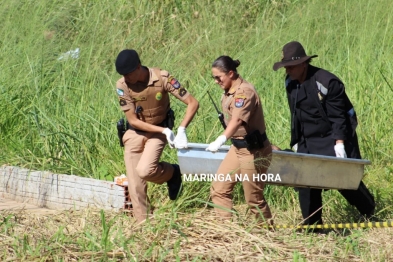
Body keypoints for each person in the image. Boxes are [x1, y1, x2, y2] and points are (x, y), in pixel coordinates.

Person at [272, 41, 376, 226]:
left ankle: (369, 210)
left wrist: (340, 143)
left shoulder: (327, 82)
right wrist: (297, 140)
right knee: (305, 180)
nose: (287, 71)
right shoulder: (290, 82)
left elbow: (339, 117)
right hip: (308, 138)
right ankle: (313, 224)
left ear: (303, 64)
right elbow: (295, 113)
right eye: (285, 67)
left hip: (333, 136)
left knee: (342, 179)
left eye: (291, 67)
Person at [115, 49, 199, 223]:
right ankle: (144, 225)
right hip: (135, 132)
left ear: (138, 67)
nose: (126, 78)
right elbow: (133, 119)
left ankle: (173, 173)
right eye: (123, 75)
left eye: (129, 74)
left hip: (158, 131)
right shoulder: (122, 85)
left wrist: (181, 129)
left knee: (145, 170)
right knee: (135, 185)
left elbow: (192, 103)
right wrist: (165, 132)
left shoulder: (162, 78)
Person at [206, 56, 273, 223]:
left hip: (253, 151)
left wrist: (220, 140)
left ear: (230, 73)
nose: (216, 82)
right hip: (237, 149)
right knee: (219, 189)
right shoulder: (229, 92)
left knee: (254, 199)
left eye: (218, 77)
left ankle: (267, 234)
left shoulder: (245, 92)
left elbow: (237, 120)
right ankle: (228, 231)